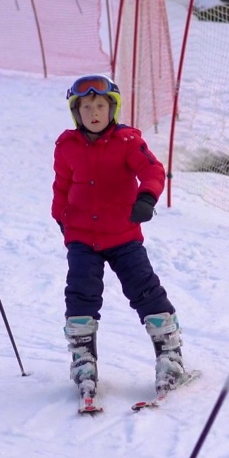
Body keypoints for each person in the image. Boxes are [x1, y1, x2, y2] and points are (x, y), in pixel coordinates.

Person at [51, 74, 187, 411]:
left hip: (124, 235)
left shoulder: (128, 141)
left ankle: (169, 355)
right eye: (87, 107)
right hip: (83, 237)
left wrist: (146, 198)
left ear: (113, 109)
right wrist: (63, 221)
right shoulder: (66, 147)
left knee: (145, 290)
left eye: (101, 106)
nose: (94, 112)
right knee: (81, 293)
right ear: (76, 112)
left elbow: (153, 170)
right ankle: (83, 361)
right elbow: (61, 188)